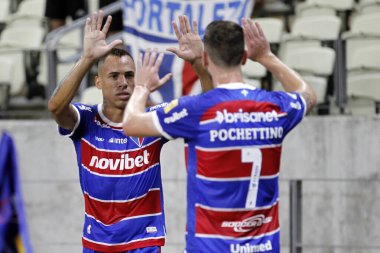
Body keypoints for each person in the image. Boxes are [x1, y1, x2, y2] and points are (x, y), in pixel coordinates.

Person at [122, 18, 317, 252]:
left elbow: (131, 123)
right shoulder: (274, 107)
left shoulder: (196, 110)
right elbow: (308, 95)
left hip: (209, 246)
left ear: (206, 58)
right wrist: (266, 56)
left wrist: (142, 87)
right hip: (264, 247)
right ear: (244, 58)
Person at [47, 11, 211, 253]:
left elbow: (210, 105)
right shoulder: (86, 119)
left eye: (129, 75)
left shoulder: (150, 119)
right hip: (97, 243)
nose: (123, 82)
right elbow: (56, 107)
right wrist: (86, 58)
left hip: (143, 243)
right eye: (114, 76)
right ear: (99, 82)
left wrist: (198, 63)